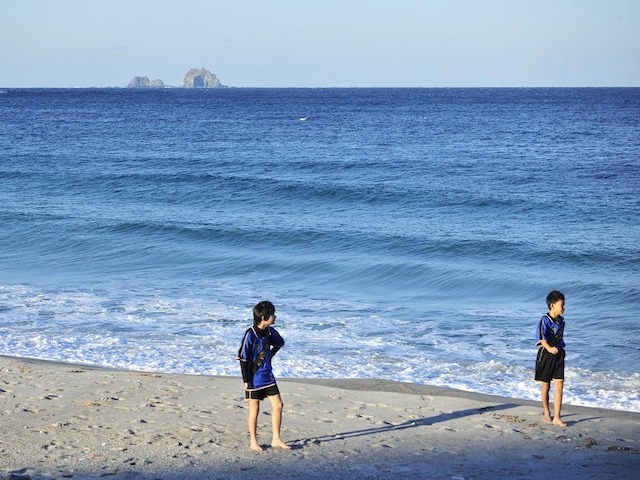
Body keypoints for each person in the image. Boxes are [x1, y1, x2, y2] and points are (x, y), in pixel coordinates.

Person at [237, 300, 291, 451]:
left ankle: (276, 439)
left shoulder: (270, 332)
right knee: (255, 410)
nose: (274, 317)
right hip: (253, 379)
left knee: (279, 405)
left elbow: (280, 343)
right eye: (272, 314)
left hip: (268, 377)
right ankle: (253, 442)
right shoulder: (250, 334)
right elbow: (243, 358)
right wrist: (246, 380)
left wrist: (269, 355)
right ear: (263, 317)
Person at [534, 290, 567, 427]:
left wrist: (558, 350)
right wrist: (549, 348)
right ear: (553, 305)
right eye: (562, 305)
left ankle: (557, 417)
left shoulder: (562, 322)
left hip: (559, 355)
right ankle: (547, 412)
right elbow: (542, 338)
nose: (564, 307)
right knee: (545, 385)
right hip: (546, 356)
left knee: (559, 385)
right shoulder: (545, 320)